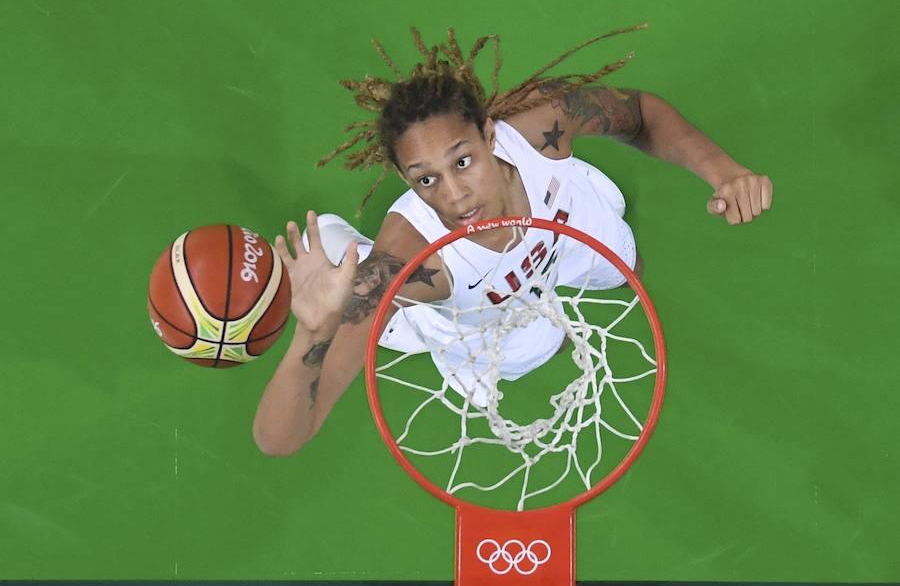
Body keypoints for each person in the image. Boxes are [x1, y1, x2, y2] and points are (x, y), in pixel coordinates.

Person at [252, 26, 773, 456]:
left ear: (490, 133)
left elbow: (639, 114)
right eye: (426, 179)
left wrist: (724, 172)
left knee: (621, 260)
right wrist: (313, 333)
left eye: (462, 161)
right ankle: (346, 247)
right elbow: (280, 439)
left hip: (562, 239)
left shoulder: (542, 127)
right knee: (522, 353)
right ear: (404, 178)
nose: (456, 196)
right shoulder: (404, 264)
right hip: (475, 311)